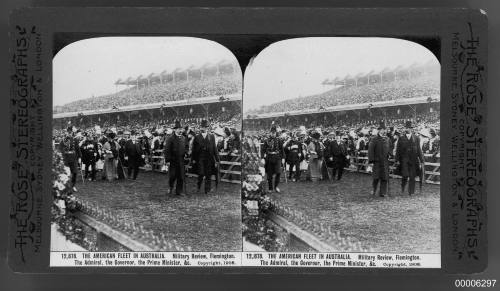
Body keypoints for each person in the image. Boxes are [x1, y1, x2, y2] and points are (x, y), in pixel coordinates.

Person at [395, 120, 425, 195]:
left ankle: (411, 192)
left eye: (409, 128)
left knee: (412, 176)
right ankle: (403, 187)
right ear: (405, 128)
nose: (407, 129)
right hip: (404, 160)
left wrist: (421, 159)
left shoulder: (416, 138)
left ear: (411, 129)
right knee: (405, 175)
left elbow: (419, 150)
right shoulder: (401, 138)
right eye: (406, 128)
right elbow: (398, 150)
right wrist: (397, 160)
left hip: (413, 160)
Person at [192, 119, 220, 194]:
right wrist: (193, 159)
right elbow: (193, 149)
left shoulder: (211, 136)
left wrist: (217, 159)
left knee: (208, 174)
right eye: (202, 127)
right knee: (201, 173)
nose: (203, 128)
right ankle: (198, 186)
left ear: (207, 128)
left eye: (204, 127)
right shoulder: (197, 137)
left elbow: (214, 148)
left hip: (209, 158)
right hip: (200, 158)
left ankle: (207, 190)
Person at [164, 120, 188, 196]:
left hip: (181, 160)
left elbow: (186, 147)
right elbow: (167, 150)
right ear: (174, 129)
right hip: (173, 160)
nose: (179, 130)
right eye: (178, 128)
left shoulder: (184, 138)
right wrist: (167, 160)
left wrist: (186, 153)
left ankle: (179, 191)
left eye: (180, 128)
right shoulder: (170, 138)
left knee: (181, 176)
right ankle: (170, 187)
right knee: (172, 176)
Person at [368, 121, 391, 197]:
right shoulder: (374, 139)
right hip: (377, 161)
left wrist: (390, 154)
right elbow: (370, 150)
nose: (384, 130)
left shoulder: (387, 139)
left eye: (384, 129)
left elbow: (390, 148)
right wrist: (371, 161)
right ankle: (374, 190)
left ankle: (383, 192)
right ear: (379, 130)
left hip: (385, 161)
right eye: (382, 129)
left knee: (384, 177)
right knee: (376, 177)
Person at [261, 124, 284, 192]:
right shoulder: (266, 140)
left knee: (278, 172)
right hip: (269, 158)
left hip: (277, 158)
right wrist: (262, 158)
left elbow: (282, 149)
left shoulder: (279, 140)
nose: (273, 134)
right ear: (270, 133)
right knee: (269, 174)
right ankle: (270, 188)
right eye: (272, 132)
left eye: (274, 133)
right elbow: (263, 150)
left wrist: (283, 158)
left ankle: (276, 186)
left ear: (276, 133)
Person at [59, 126, 81, 191]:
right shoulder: (63, 140)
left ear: (72, 132)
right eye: (68, 132)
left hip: (74, 158)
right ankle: (65, 185)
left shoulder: (75, 140)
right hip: (66, 158)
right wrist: (62, 156)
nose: (69, 133)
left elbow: (77, 149)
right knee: (66, 173)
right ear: (67, 132)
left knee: (75, 173)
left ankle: (73, 185)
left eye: (70, 132)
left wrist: (79, 157)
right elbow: (60, 148)